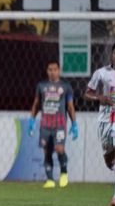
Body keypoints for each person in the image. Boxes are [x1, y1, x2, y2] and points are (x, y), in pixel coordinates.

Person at [28, 60, 78, 189]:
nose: (52, 72)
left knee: (59, 149)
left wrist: (74, 124)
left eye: (55, 69)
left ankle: (64, 173)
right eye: (50, 69)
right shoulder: (41, 86)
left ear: (59, 70)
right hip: (45, 124)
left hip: (59, 124)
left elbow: (70, 106)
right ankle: (50, 180)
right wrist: (32, 121)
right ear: (47, 71)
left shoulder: (66, 86)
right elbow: (36, 104)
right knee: (47, 151)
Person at [84, 43, 115, 206]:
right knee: (110, 162)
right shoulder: (102, 73)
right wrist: (100, 98)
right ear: (112, 55)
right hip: (104, 120)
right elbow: (87, 94)